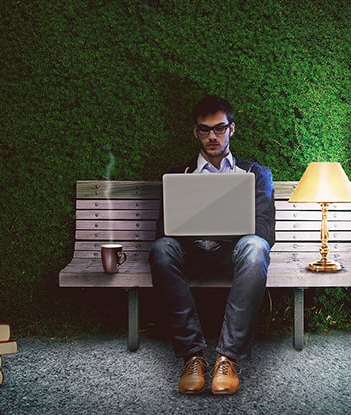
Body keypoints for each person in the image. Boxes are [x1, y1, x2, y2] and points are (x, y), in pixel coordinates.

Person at [149, 95, 276, 395]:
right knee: (161, 250)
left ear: (232, 129)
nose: (212, 136)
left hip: (234, 256)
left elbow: (266, 230)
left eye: (219, 128)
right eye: (204, 130)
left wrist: (228, 228)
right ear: (195, 132)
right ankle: (192, 356)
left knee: (256, 247)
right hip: (191, 253)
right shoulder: (180, 175)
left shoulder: (256, 174)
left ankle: (227, 359)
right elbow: (162, 230)